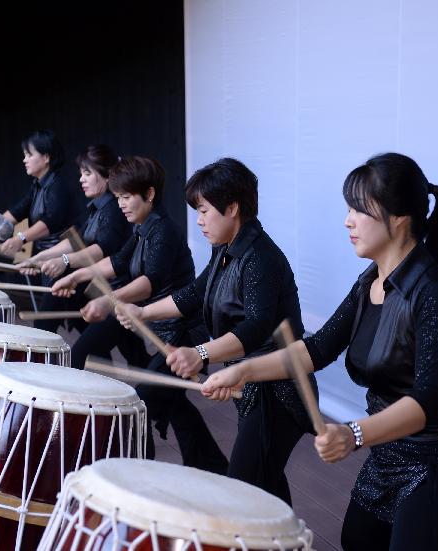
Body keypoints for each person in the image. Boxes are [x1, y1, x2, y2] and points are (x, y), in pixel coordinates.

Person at [202, 153, 438, 550]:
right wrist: (242, 371)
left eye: (358, 209)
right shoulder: (369, 281)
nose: (347, 220)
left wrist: (354, 434)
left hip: (435, 465)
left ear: (398, 217)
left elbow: (430, 399)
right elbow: (316, 349)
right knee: (357, 539)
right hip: (388, 455)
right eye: (348, 208)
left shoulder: (435, 294)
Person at [115, 157, 313, 505]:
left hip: (279, 391)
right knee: (265, 482)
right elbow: (194, 294)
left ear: (232, 207)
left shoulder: (260, 258)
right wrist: (143, 311)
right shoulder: (226, 252)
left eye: (204, 210)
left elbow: (257, 326)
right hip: (251, 381)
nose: (199, 220)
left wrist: (200, 353)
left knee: (242, 490)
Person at [51, 155, 228, 474]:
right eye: (117, 198)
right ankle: (210, 465)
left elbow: (151, 281)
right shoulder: (142, 228)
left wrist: (109, 301)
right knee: (170, 403)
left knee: (144, 403)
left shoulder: (164, 231)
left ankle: (141, 473)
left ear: (149, 194)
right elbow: (119, 262)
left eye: (127, 197)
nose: (120, 205)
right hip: (155, 324)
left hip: (183, 334)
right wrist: (73, 275)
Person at [16, 144, 131, 332]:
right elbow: (76, 241)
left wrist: (64, 261)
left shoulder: (113, 210)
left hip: (113, 290)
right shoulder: (99, 207)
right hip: (94, 284)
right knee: (89, 345)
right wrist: (38, 259)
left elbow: (102, 250)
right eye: (81, 173)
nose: (81, 179)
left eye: (87, 174)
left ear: (108, 174)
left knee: (126, 352)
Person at [0, 130, 85, 259]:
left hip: (64, 258)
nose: (25, 160)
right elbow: (17, 211)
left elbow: (50, 221)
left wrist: (20, 239)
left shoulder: (58, 185)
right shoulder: (37, 185)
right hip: (46, 257)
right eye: (25, 155)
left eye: (29, 155)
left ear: (46, 157)